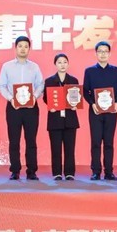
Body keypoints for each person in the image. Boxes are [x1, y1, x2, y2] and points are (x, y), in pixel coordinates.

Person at [0, 36, 45, 181]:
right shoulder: (7, 66)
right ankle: (15, 170)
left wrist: (34, 96)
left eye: (26, 46)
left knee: (31, 140)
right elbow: (2, 86)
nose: (23, 49)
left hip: (31, 107)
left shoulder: (35, 67)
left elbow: (41, 84)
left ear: (29, 49)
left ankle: (31, 171)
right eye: (20, 46)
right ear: (16, 48)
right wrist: (11, 98)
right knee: (14, 140)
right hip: (14, 107)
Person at [83, 41, 117, 181]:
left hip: (111, 112)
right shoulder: (89, 71)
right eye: (100, 51)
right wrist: (92, 103)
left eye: (105, 51)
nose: (103, 54)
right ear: (96, 53)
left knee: (109, 142)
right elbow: (85, 91)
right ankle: (96, 171)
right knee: (95, 142)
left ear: (109, 54)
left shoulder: (115, 71)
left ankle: (109, 172)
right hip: (95, 112)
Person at [43, 53, 80, 181]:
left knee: (70, 148)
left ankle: (69, 173)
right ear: (55, 64)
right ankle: (57, 173)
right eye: (59, 62)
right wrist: (50, 105)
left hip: (70, 118)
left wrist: (75, 105)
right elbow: (46, 98)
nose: (62, 64)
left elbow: (77, 97)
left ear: (68, 64)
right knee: (56, 148)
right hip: (55, 118)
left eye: (65, 62)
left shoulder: (74, 80)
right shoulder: (49, 81)